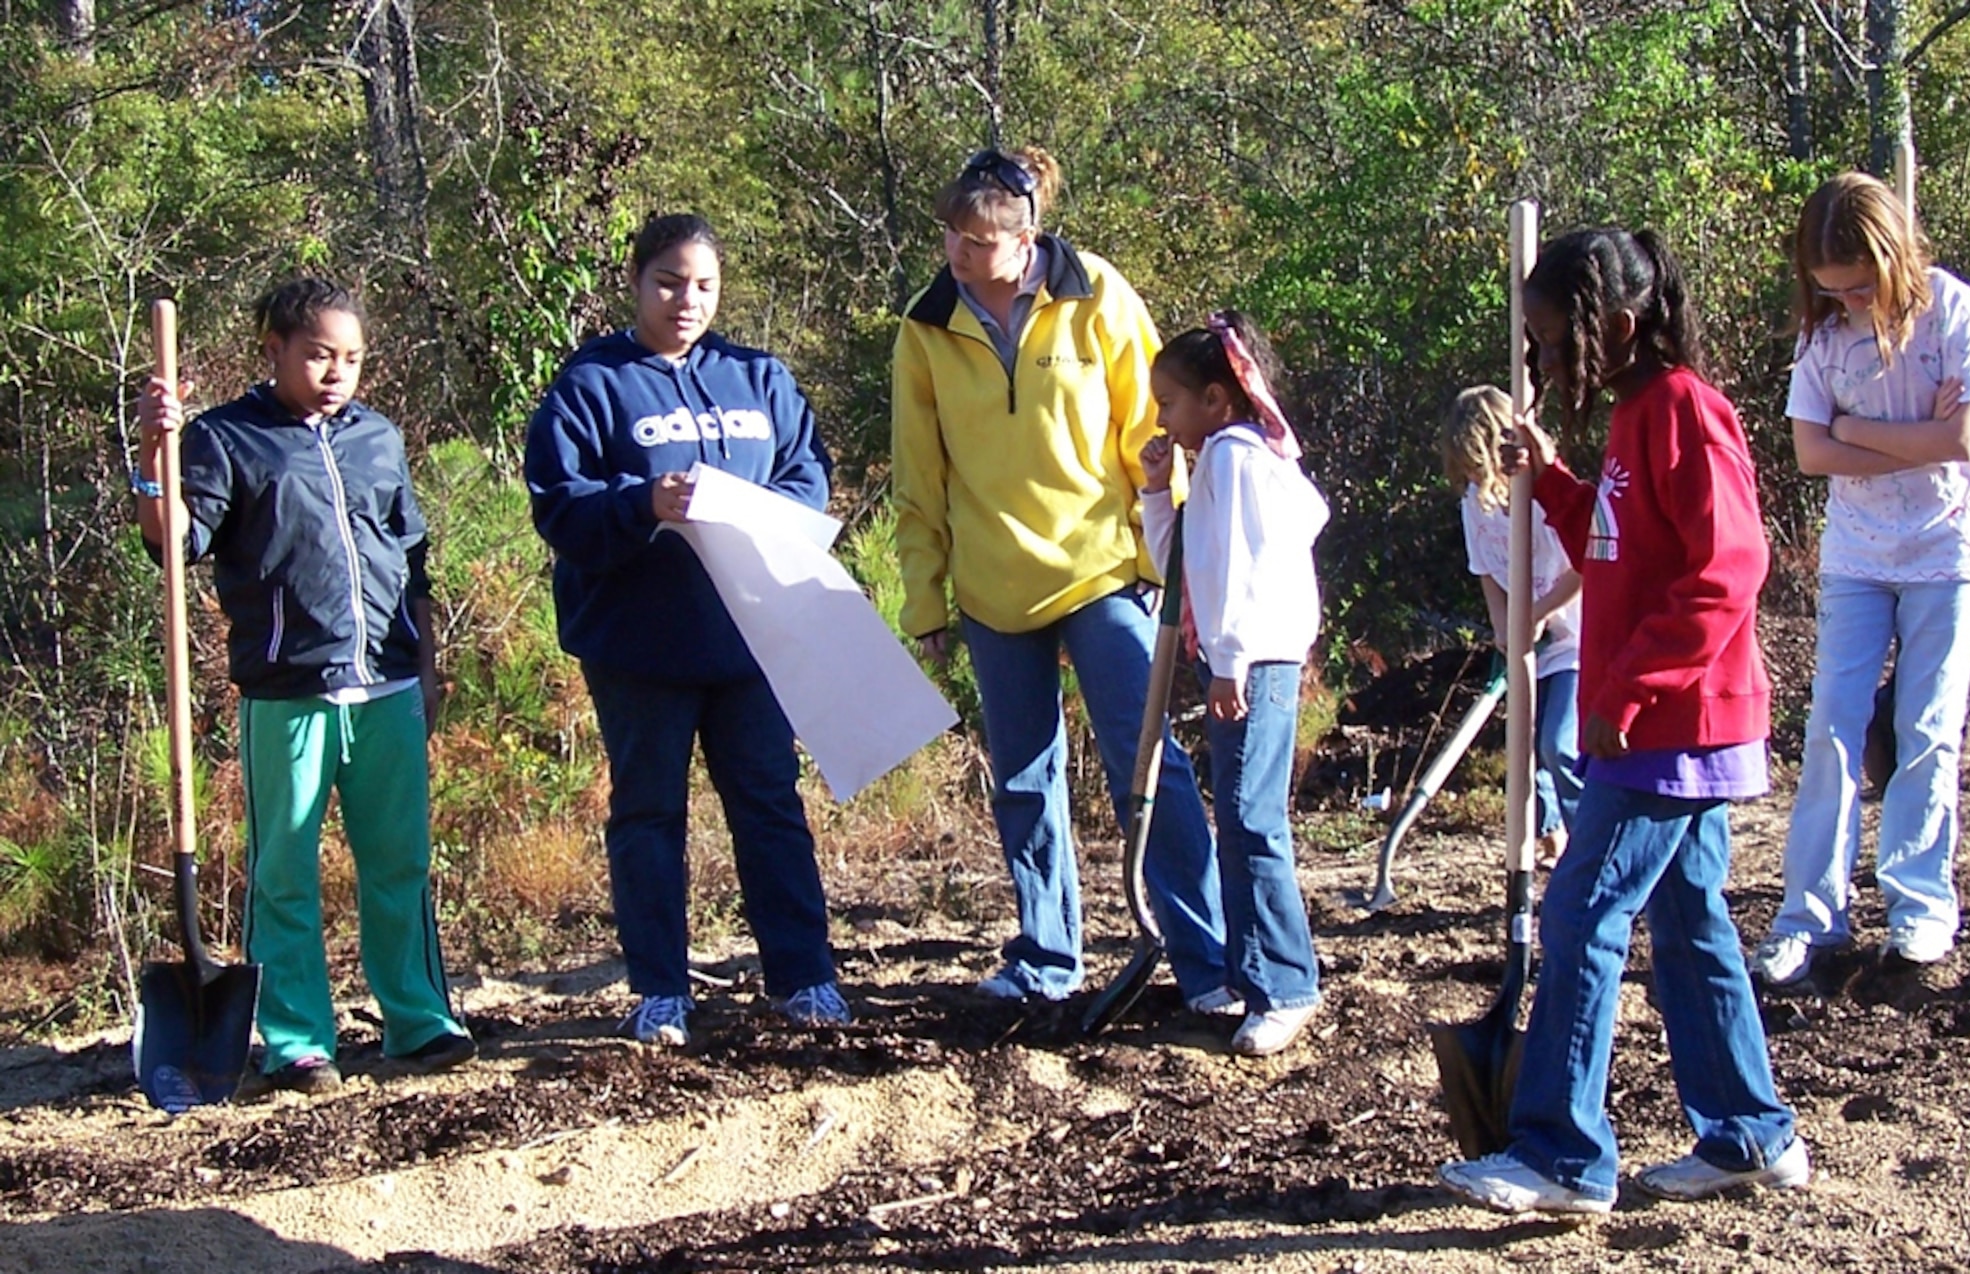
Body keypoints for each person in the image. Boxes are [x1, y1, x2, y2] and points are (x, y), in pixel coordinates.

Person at [1437, 227, 1806, 1214]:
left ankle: (1559, 1151)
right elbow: (1617, 547)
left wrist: (1627, 690)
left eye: (1554, 342)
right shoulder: (1631, 418)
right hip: (1656, 719)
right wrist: (1551, 478)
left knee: (1579, 910)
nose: (1543, 362)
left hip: (1673, 724)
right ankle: (1747, 1132)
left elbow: (1725, 569)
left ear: (1620, 325)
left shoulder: (1682, 411)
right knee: (1685, 923)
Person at [890, 145, 1230, 1007]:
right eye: (951, 237)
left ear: (1027, 235)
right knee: (1022, 778)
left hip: (1102, 572)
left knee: (1147, 765)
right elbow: (918, 475)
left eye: (978, 241)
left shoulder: (1098, 293)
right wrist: (925, 596)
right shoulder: (925, 328)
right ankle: (1047, 958)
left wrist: (1169, 559)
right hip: (991, 586)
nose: (959, 255)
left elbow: (1153, 433)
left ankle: (1208, 963)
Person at [135, 278, 475, 1094]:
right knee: (284, 870)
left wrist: (425, 666)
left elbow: (412, 559)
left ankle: (419, 1019)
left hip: (387, 685)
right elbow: (175, 542)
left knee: (398, 863)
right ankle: (296, 1040)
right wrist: (155, 455)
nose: (336, 371)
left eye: (351, 357)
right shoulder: (226, 439)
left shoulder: (377, 440)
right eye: (319, 353)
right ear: (275, 350)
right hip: (288, 691)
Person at [524, 213, 850, 1046]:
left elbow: (805, 471)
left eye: (703, 285)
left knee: (770, 806)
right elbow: (560, 507)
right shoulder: (591, 386)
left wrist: (773, 509)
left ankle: (805, 977)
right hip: (639, 647)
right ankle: (661, 989)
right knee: (649, 816)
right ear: (635, 282)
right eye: (669, 281)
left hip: (750, 639)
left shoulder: (756, 377)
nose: (686, 300)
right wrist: (643, 503)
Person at [1750, 172, 1970, 987]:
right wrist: (1902, 434)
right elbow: (1809, 452)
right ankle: (1808, 915)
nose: (1849, 303)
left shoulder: (1954, 312)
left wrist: (1855, 427)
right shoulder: (1822, 338)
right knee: (1830, 727)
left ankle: (1920, 909)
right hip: (1858, 557)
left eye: (1860, 286)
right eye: (1833, 290)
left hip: (1950, 550)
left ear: (1891, 257)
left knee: (1929, 728)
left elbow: (1962, 440)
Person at [1137, 311, 1328, 1054]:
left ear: (1217, 399)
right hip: (1239, 662)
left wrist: (1231, 662)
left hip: (1255, 665)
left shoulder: (1240, 459)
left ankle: (1284, 985)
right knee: (1242, 822)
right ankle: (1261, 979)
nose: (1164, 419)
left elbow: (1250, 570)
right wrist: (1158, 489)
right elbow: (1182, 565)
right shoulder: (1215, 460)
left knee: (1252, 822)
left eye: (1172, 403)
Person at [1441, 384, 1584, 861]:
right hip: (1528, 645)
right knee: (1524, 749)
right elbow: (1486, 573)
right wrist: (1504, 627)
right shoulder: (1473, 506)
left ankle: (1592, 846)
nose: (1472, 475)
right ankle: (1550, 837)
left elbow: (1585, 568)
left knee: (1559, 745)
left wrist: (1538, 615)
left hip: (1577, 642)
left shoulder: (1542, 499)